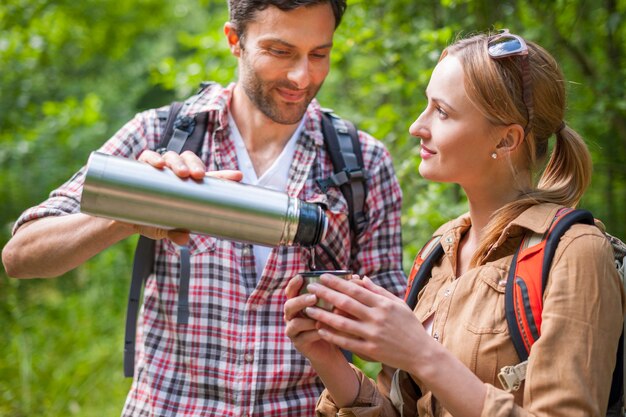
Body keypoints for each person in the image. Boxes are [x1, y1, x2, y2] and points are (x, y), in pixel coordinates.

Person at [1, 1, 406, 416]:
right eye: (280, 52)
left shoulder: (361, 163)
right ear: (235, 40)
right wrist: (133, 210)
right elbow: (20, 256)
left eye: (319, 54)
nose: (303, 76)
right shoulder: (160, 135)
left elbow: (396, 334)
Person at [284, 29, 626, 416]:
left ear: (506, 141)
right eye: (426, 105)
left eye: (442, 112)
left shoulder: (575, 251)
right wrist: (329, 362)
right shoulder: (440, 250)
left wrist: (421, 352)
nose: (417, 126)